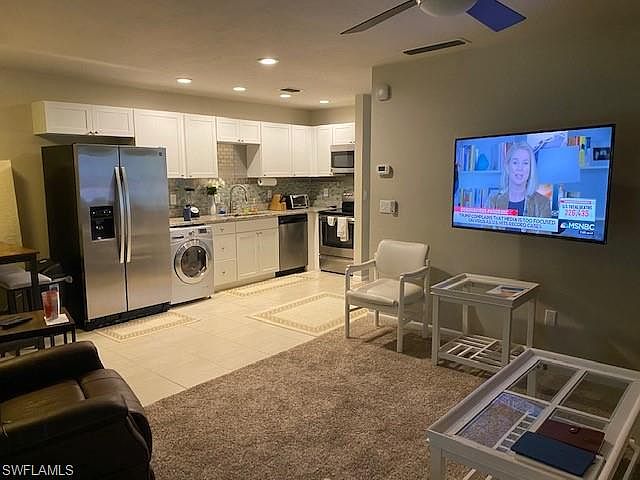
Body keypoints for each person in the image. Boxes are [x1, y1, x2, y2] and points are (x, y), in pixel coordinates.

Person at [488, 142, 551, 217]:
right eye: (515, 162)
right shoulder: (493, 201)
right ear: (507, 167)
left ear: (531, 169)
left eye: (525, 163)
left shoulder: (543, 203)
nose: (520, 168)